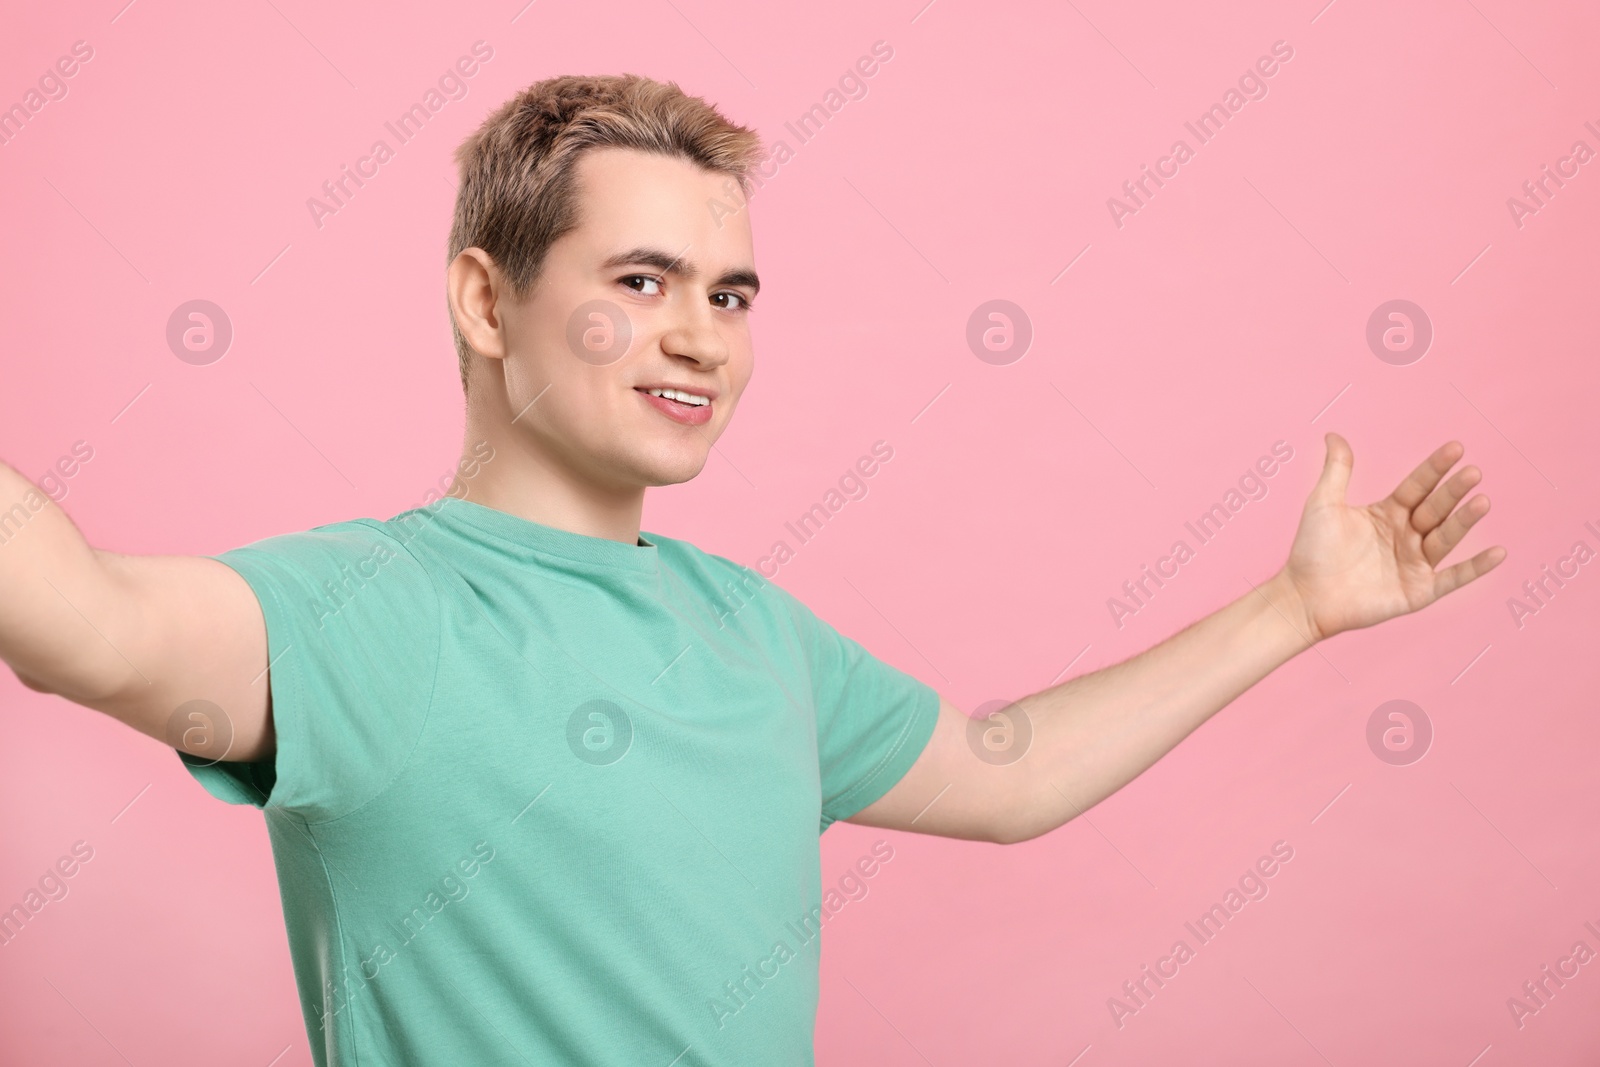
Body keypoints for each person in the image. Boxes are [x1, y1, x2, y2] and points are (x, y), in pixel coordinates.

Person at [0, 73, 1505, 1065]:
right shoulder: (370, 616)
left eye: (729, 292)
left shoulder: (755, 633)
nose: (703, 336)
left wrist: (1295, 608)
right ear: (485, 297)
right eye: (639, 282)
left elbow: (1013, 773)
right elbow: (79, 618)